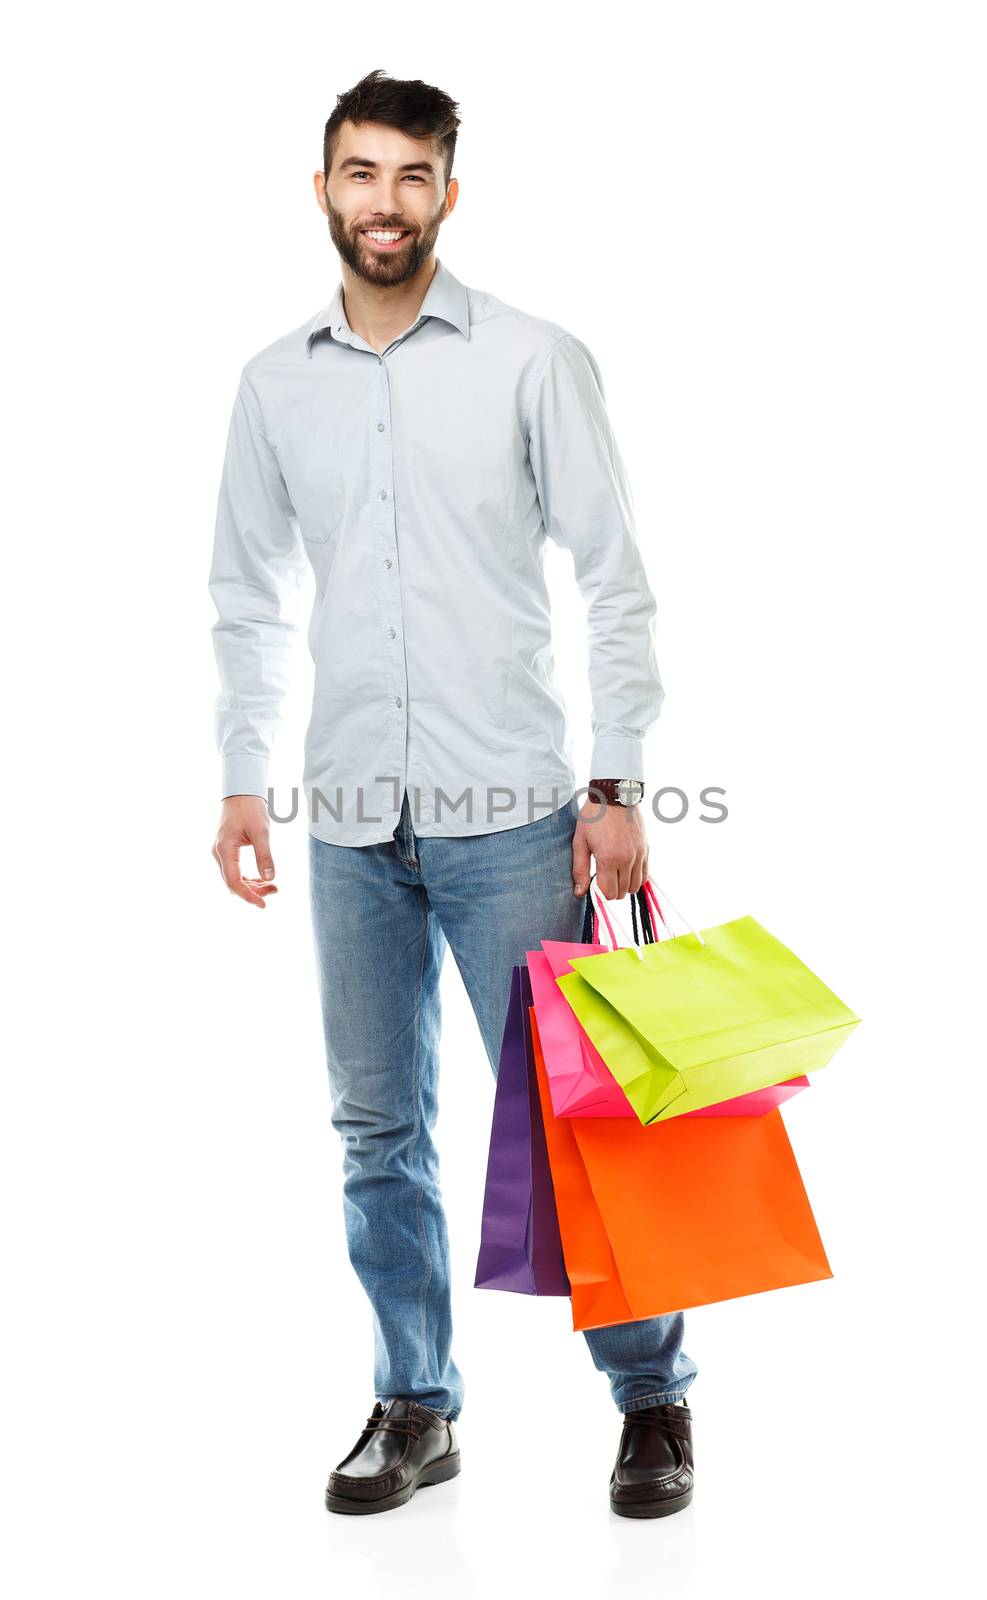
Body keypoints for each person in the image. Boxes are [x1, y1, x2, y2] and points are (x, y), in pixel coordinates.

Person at [208, 68, 698, 1519]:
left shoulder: (535, 359)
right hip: (351, 826)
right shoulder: (271, 383)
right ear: (323, 190)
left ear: (448, 195)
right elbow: (243, 591)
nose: (385, 203)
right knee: (376, 1133)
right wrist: (243, 775)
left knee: (574, 1125)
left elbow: (617, 586)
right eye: (360, 174)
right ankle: (416, 1408)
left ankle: (652, 1398)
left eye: (412, 176)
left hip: (516, 822)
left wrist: (615, 783)